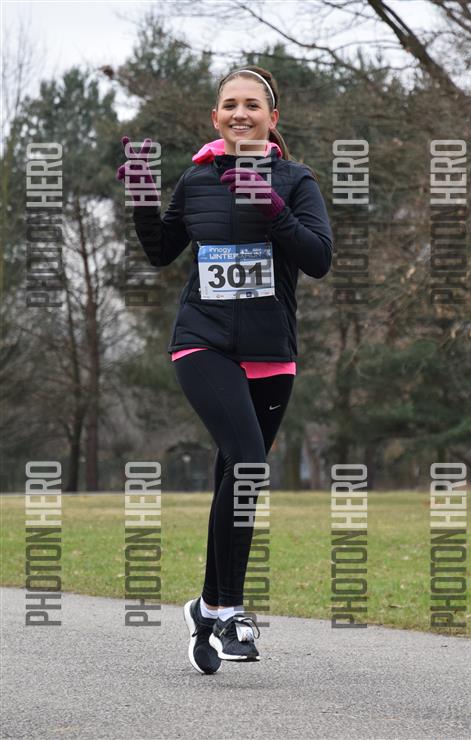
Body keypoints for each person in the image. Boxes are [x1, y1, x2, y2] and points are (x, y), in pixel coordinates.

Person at [117, 65, 333, 675]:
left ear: (272, 117)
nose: (241, 113)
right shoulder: (196, 180)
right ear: (215, 118)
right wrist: (142, 197)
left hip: (271, 351)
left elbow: (318, 258)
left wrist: (273, 208)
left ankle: (207, 606)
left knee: (234, 476)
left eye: (252, 105)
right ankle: (232, 611)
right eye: (230, 105)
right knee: (249, 462)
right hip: (202, 340)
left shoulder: (296, 180)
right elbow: (161, 251)